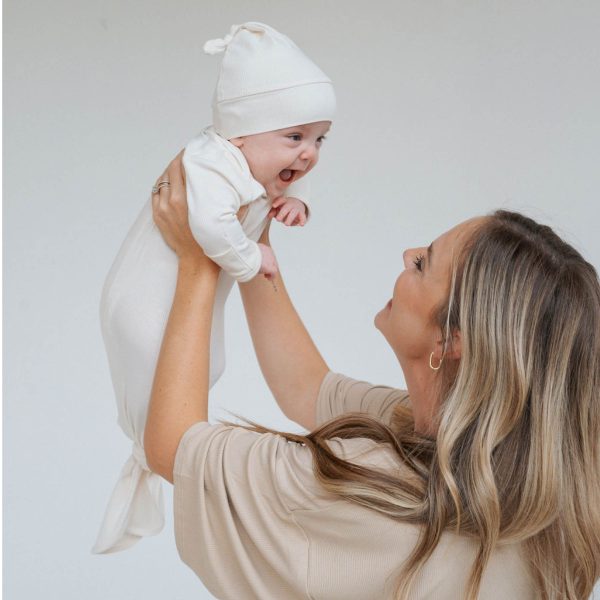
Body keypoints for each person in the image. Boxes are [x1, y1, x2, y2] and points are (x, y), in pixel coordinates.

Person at [144, 156, 600, 599]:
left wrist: (199, 260)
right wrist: (251, 242)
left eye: (424, 264)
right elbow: (308, 387)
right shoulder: (538, 491)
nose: (408, 255)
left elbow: (174, 446)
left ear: (450, 341)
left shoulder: (369, 490)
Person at [92, 22, 335, 554]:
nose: (309, 154)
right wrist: (253, 257)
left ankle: (147, 449)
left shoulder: (256, 155)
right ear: (240, 133)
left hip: (185, 295)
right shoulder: (208, 161)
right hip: (142, 300)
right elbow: (209, 229)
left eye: (319, 138)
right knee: (153, 376)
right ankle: (144, 445)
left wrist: (294, 202)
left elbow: (283, 182)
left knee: (211, 364)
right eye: (295, 137)